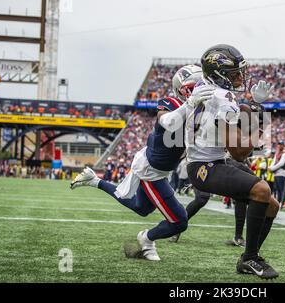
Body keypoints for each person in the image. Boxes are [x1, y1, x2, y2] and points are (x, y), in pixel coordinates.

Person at [70, 64, 214, 261]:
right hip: (151, 170)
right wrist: (190, 106)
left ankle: (95, 181)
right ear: (181, 90)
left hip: (160, 169)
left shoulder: (199, 114)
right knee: (179, 221)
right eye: (192, 87)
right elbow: (170, 122)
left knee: (141, 208)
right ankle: (147, 239)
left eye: (200, 86)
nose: (197, 91)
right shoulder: (170, 102)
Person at [185, 44, 279, 279]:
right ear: (218, 74)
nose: (239, 77)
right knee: (261, 189)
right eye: (234, 73)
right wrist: (261, 121)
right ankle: (249, 259)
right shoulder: (223, 97)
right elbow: (239, 152)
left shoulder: (204, 86)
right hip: (204, 166)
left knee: (271, 204)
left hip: (212, 159)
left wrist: (253, 109)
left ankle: (250, 255)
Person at [269, 141, 285, 208]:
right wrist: (271, 167)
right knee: (277, 189)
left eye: (281, 145)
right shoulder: (277, 154)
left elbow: (281, 163)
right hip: (276, 174)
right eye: (279, 145)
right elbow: (273, 161)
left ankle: (282, 203)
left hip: (282, 174)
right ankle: (278, 202)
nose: (279, 146)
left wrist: (272, 168)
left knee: (281, 189)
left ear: (283, 146)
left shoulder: (284, 154)